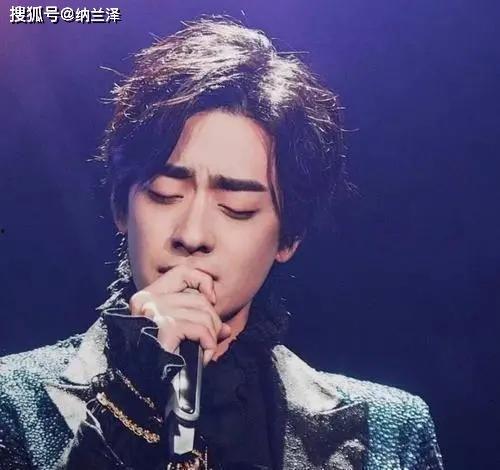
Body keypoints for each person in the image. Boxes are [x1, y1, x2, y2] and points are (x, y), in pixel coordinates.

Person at [0, 16, 444, 470]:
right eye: (164, 194)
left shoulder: (390, 435)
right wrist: (129, 401)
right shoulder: (13, 404)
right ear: (120, 206)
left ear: (289, 237)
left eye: (236, 207)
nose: (192, 235)